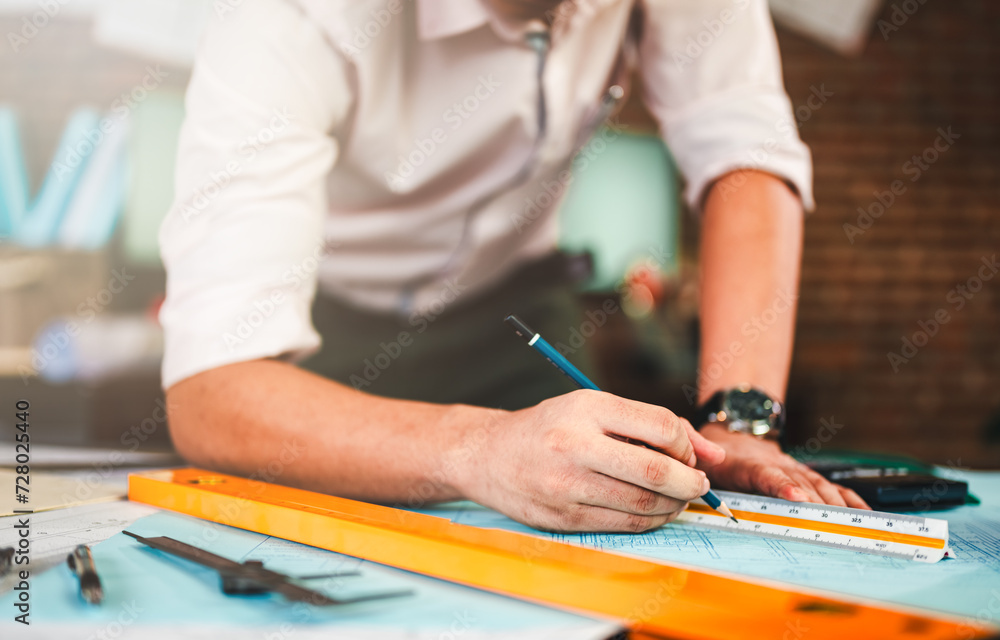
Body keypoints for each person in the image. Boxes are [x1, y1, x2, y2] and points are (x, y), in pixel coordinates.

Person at [159, 0, 868, 534]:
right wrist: (474, 447)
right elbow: (213, 390)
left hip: (517, 308)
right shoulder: (284, 18)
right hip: (317, 339)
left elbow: (745, 150)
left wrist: (741, 420)